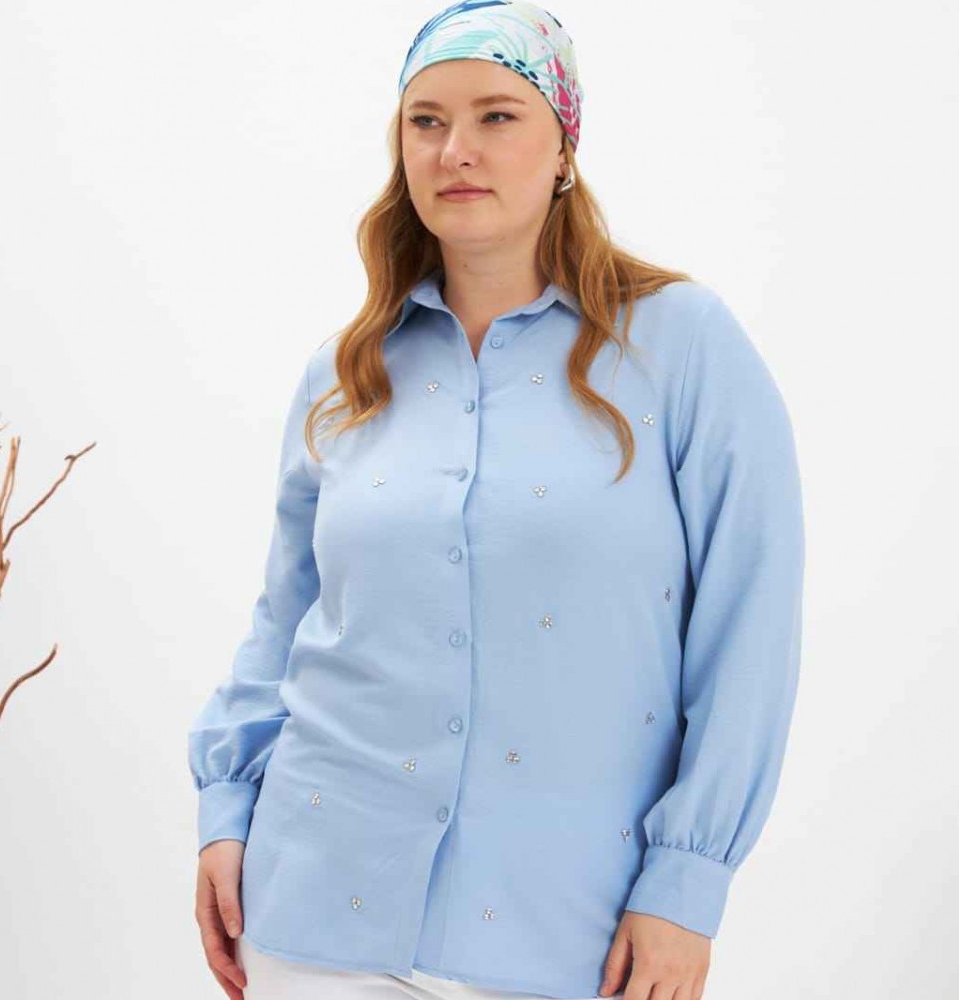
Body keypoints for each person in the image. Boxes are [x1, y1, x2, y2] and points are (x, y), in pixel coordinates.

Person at [189, 2, 806, 999]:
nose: (455, 150)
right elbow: (287, 618)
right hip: (313, 911)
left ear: (564, 147)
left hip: (570, 933)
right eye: (426, 121)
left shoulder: (681, 344)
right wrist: (226, 808)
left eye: (497, 116)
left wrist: (688, 882)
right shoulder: (344, 373)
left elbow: (751, 626)